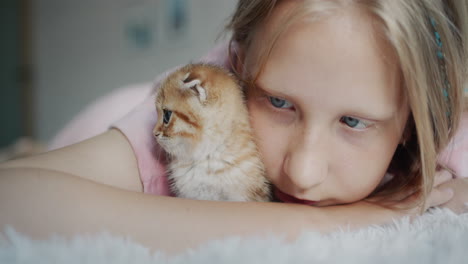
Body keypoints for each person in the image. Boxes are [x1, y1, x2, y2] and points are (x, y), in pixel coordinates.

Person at [1, 0, 467, 254]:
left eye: (353, 122)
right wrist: (334, 220)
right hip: (117, 109)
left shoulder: (442, 124)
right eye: (278, 102)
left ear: (413, 120)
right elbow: (12, 197)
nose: (302, 172)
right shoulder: (198, 115)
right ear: (241, 69)